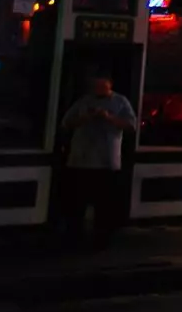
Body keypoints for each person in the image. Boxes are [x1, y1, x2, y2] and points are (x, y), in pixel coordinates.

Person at [57, 72, 137, 248]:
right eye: (96, 87)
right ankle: (74, 237)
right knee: (77, 203)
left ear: (110, 86)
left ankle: (101, 240)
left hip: (107, 162)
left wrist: (108, 118)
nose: (99, 91)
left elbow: (131, 125)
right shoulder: (84, 101)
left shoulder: (120, 102)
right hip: (81, 160)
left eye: (103, 87)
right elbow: (66, 123)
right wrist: (87, 117)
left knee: (104, 205)